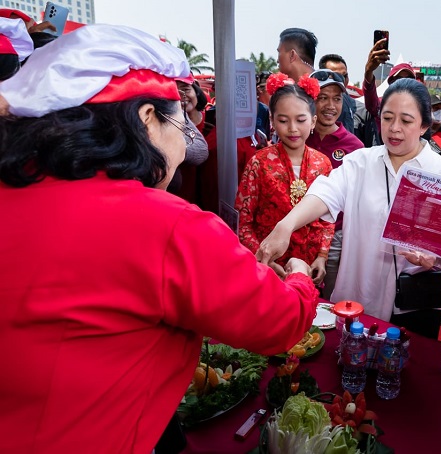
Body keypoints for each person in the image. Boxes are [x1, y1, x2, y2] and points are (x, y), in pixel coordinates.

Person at [0, 25, 318, 452]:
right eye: (179, 123)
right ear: (147, 119)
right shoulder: (166, 225)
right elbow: (277, 320)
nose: (186, 147)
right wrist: (299, 277)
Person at [259, 79, 441, 338]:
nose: (394, 128)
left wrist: (434, 258)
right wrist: (285, 225)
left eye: (406, 121)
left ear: (423, 125)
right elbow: (325, 192)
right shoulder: (361, 162)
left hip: (414, 304)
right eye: (387, 118)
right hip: (359, 294)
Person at [236, 73, 334, 283]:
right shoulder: (258, 163)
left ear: (313, 121)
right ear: (272, 121)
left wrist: (322, 256)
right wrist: (263, 258)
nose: (292, 128)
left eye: (300, 120)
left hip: (308, 268)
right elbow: (243, 224)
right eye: (283, 120)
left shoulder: (323, 164)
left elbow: (327, 219)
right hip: (266, 269)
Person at [306, 69, 364, 297]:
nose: (330, 105)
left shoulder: (355, 147)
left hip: (335, 236)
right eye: (322, 98)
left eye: (337, 99)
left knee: (328, 299)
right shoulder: (299, 135)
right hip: (299, 232)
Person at [317, 53, 357, 133]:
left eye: (344, 76)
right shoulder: (303, 137)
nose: (331, 106)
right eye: (323, 98)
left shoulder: (353, 104)